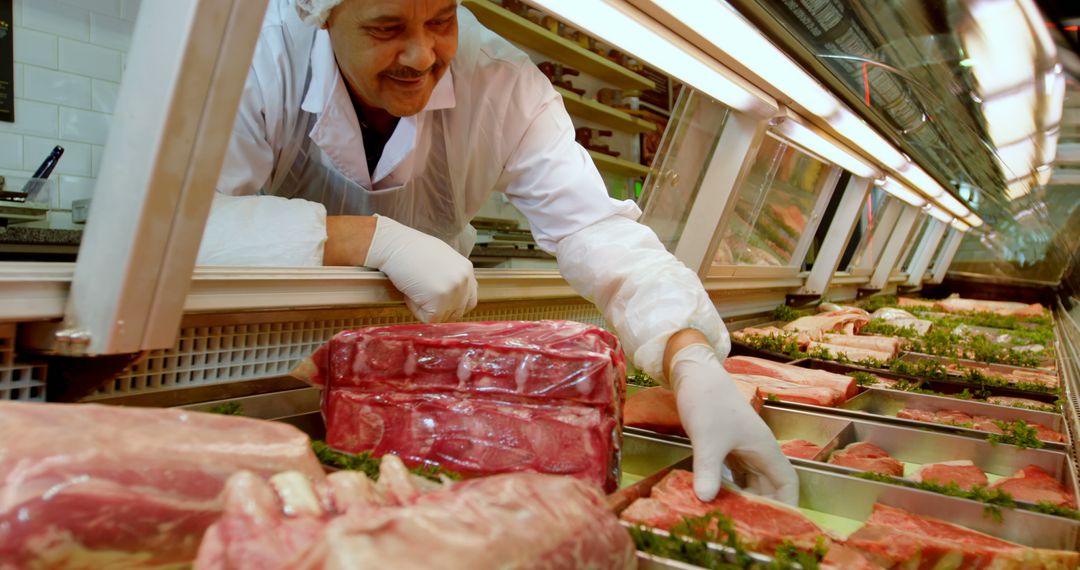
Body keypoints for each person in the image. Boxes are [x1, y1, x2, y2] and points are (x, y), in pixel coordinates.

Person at [197, 0, 797, 504]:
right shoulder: (258, 49)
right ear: (324, 16)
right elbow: (180, 226)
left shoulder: (503, 82)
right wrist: (369, 238)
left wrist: (686, 355)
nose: (422, 55)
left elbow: (593, 228)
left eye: (440, 20)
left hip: (424, 356)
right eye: (386, 29)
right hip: (237, 356)